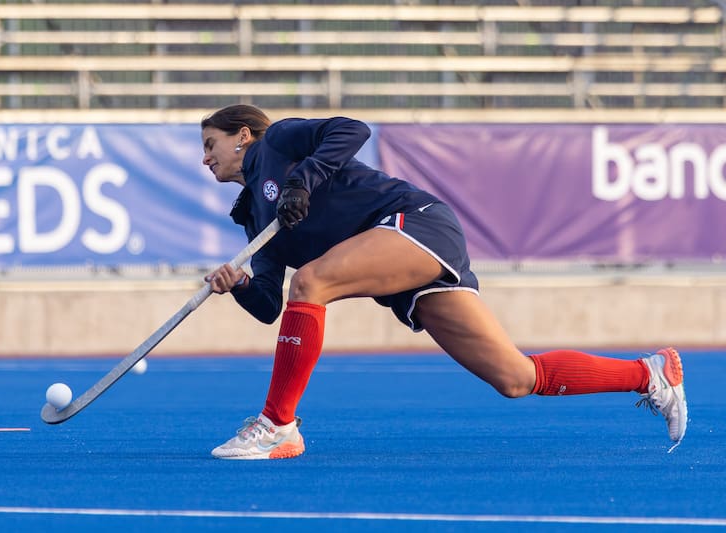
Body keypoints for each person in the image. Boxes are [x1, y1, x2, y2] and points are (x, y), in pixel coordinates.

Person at [200, 104, 688, 460]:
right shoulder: (252, 220)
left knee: (312, 282)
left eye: (210, 144)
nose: (206, 158)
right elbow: (270, 306)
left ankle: (279, 425)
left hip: (413, 222)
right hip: (402, 273)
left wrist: (302, 179)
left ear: (242, 134)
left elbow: (352, 129)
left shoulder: (279, 142)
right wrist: (239, 284)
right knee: (516, 378)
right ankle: (649, 373)